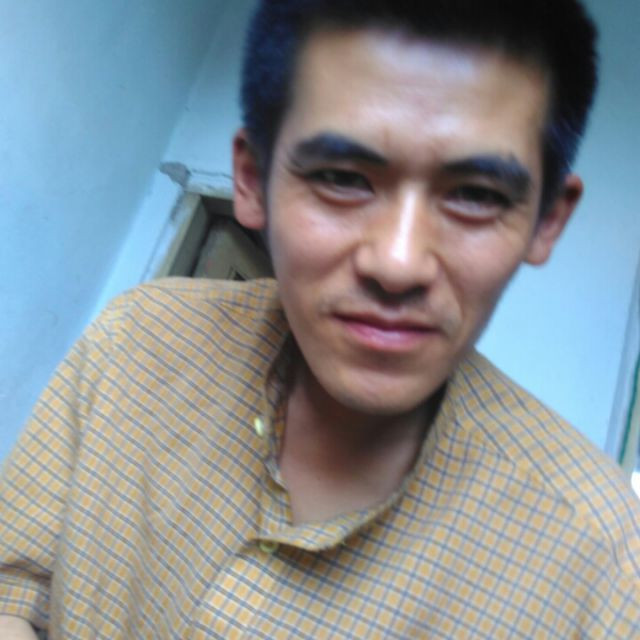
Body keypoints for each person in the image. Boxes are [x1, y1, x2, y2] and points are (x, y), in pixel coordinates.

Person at [1, 0, 639, 637]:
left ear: (546, 220)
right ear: (252, 180)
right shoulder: (140, 340)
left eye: (476, 195)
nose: (397, 263)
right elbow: (14, 588)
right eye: (341, 177)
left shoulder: (601, 567)